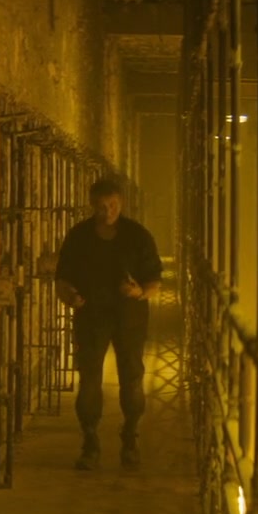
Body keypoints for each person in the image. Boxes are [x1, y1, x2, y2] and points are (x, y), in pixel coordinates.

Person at [53, 177, 162, 471]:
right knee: (89, 379)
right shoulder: (79, 237)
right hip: (91, 317)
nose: (107, 211)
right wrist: (70, 296)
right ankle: (90, 441)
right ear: (92, 205)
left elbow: (154, 280)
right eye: (101, 206)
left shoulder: (137, 236)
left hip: (129, 318)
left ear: (121, 203)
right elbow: (63, 278)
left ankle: (130, 436)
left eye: (112, 205)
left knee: (132, 377)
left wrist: (138, 292)